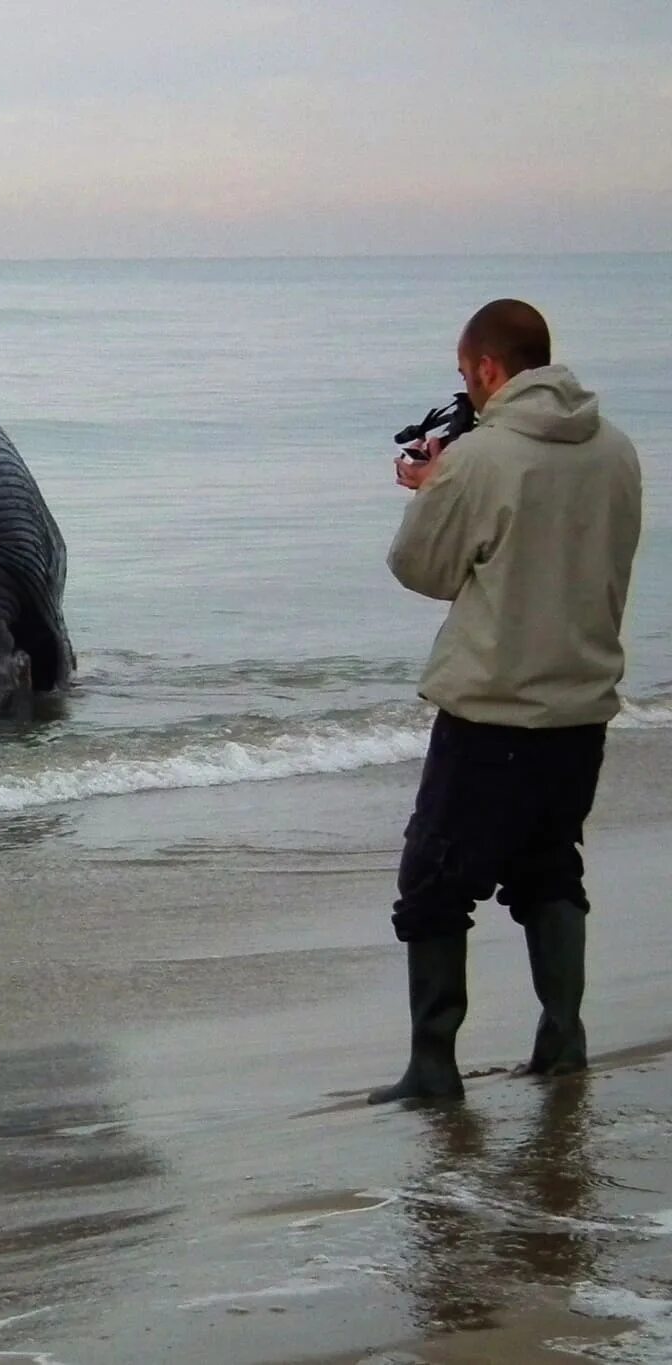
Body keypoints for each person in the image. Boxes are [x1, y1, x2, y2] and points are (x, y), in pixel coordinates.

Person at [371, 298, 644, 1105]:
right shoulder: (618, 450)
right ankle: (563, 1040)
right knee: (548, 865)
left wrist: (431, 487)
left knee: (433, 880)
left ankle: (433, 1066)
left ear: (489, 369)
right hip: (581, 707)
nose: (467, 389)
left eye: (465, 375)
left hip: (492, 709)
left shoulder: (482, 458)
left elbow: (422, 569)